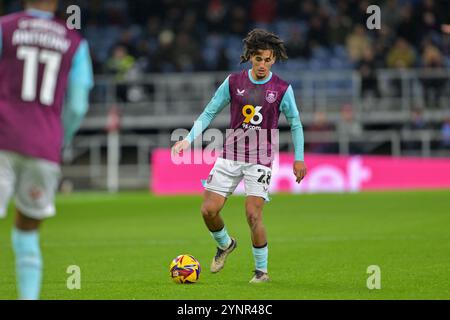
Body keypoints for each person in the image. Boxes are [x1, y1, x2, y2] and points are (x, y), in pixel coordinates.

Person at [172, 29, 306, 283]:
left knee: (253, 214)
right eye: (258, 59)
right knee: (208, 211)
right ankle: (225, 244)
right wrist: (188, 139)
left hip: (261, 158)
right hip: (231, 155)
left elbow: (296, 123)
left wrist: (299, 158)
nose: (263, 65)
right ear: (250, 58)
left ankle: (261, 271)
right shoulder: (233, 82)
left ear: (274, 59)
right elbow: (209, 112)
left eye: (268, 60)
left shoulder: (281, 88)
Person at [0, 0, 94, 299]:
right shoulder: (74, 41)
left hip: (2, 138)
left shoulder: (5, 28)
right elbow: (78, 105)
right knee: (27, 232)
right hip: (43, 145)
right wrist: (58, 137)